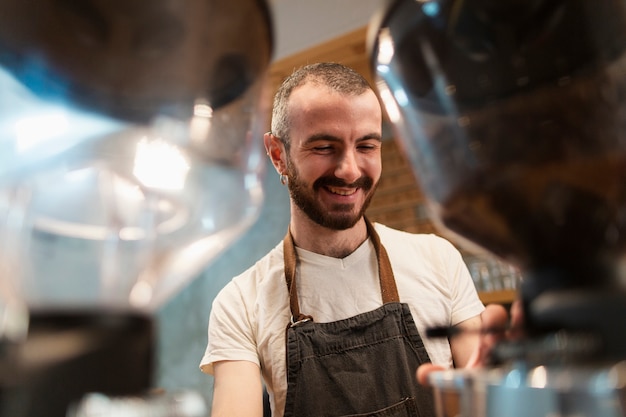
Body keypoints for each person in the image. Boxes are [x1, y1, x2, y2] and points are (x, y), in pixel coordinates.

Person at [200, 62, 488, 417]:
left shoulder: (438, 258)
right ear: (278, 156)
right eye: (324, 147)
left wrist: (502, 392)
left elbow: (483, 397)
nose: (349, 170)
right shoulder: (241, 303)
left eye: (366, 145)